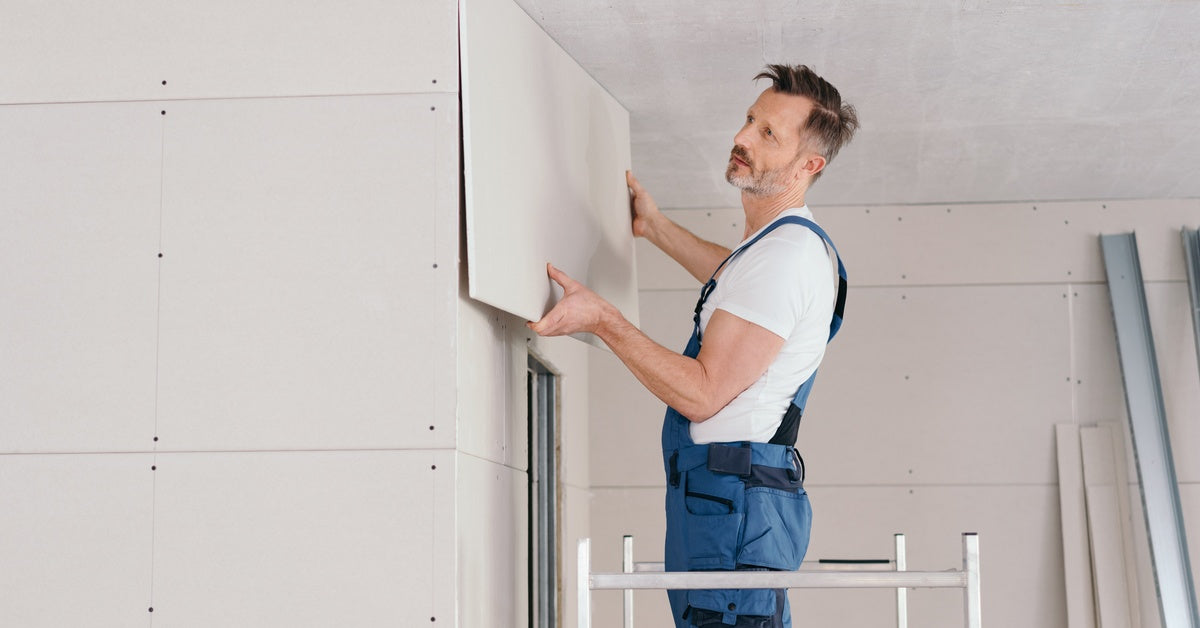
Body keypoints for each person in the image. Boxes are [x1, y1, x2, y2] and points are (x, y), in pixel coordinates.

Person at [528, 64, 858, 628]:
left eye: (768, 134)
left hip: (731, 506)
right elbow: (735, 282)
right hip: (729, 500)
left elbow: (703, 394)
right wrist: (654, 228)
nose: (742, 137)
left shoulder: (784, 259)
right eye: (750, 121)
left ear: (809, 165)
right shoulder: (781, 248)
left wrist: (602, 319)